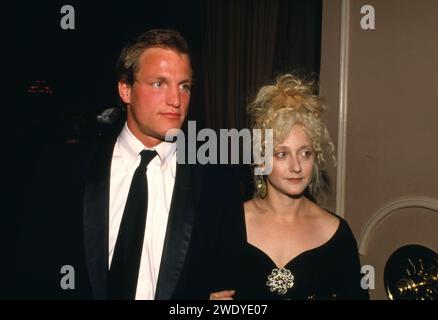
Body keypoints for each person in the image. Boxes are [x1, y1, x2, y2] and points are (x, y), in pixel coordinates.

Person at [16, 29, 241, 300]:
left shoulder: (218, 186)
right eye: (159, 83)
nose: (176, 100)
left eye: (184, 86)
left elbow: (228, 289)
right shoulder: (66, 171)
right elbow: (33, 268)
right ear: (125, 89)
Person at [209, 74, 369, 300]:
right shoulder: (225, 224)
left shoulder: (336, 233)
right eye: (282, 154)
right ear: (261, 159)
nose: (296, 166)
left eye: (305, 153)